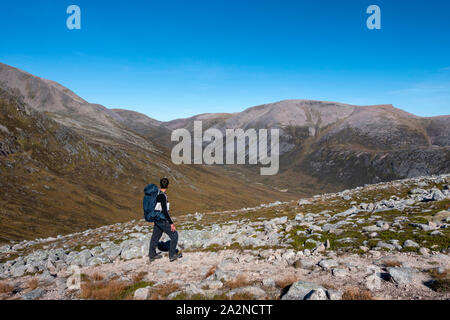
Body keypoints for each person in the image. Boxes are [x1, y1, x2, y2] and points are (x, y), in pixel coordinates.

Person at [148, 178, 182, 262]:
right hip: (162, 220)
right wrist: (171, 223)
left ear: (160, 184)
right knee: (174, 235)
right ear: (167, 185)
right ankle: (172, 255)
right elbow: (164, 211)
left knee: (155, 237)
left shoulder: (157, 194)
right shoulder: (162, 196)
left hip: (157, 219)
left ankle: (152, 255)